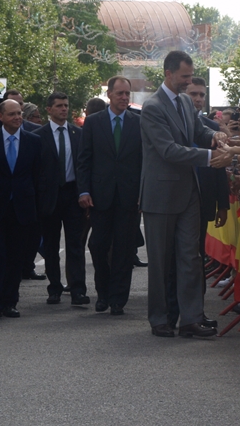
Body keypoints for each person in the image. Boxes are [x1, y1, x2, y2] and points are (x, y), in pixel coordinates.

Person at [140, 51, 231, 338]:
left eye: (191, 76)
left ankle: (191, 318)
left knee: (191, 256)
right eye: (185, 77)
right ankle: (160, 318)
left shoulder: (183, 102)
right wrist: (208, 156)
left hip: (188, 191)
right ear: (168, 73)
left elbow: (198, 129)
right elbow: (167, 149)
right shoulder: (152, 107)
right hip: (161, 194)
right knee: (160, 260)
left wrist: (215, 137)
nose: (189, 81)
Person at [76, 76, 143, 316]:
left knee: (124, 250)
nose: (124, 98)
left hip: (128, 196)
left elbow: (144, 161)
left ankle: (117, 299)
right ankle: (102, 292)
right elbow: (84, 159)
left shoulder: (138, 122)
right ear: (110, 95)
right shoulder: (94, 122)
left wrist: (142, 195)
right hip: (100, 196)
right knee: (98, 245)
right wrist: (83, 190)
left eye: (128, 94)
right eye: (120, 94)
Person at [0, 99, 42, 320]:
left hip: (22, 207)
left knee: (16, 256)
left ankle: (10, 301)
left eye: (19, 113)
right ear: (1, 117)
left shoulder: (34, 141)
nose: (17, 117)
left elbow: (37, 175)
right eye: (12, 114)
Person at [37, 91, 88, 306]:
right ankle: (54, 287)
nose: (64, 109)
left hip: (72, 194)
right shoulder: (39, 136)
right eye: (59, 106)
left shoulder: (78, 134)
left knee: (75, 245)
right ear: (49, 109)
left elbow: (85, 165)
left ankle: (77, 289)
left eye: (66, 105)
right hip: (49, 196)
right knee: (51, 245)